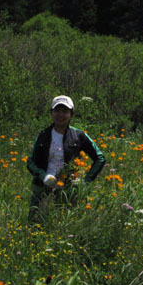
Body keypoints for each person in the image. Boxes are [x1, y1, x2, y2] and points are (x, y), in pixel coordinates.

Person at [27, 95, 106, 224]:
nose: (60, 115)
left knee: (65, 224)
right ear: (51, 113)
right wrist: (43, 176)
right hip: (42, 188)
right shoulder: (43, 135)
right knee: (35, 223)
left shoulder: (79, 135)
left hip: (68, 189)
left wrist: (84, 181)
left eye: (65, 111)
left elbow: (100, 158)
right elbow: (30, 162)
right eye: (57, 111)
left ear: (71, 114)